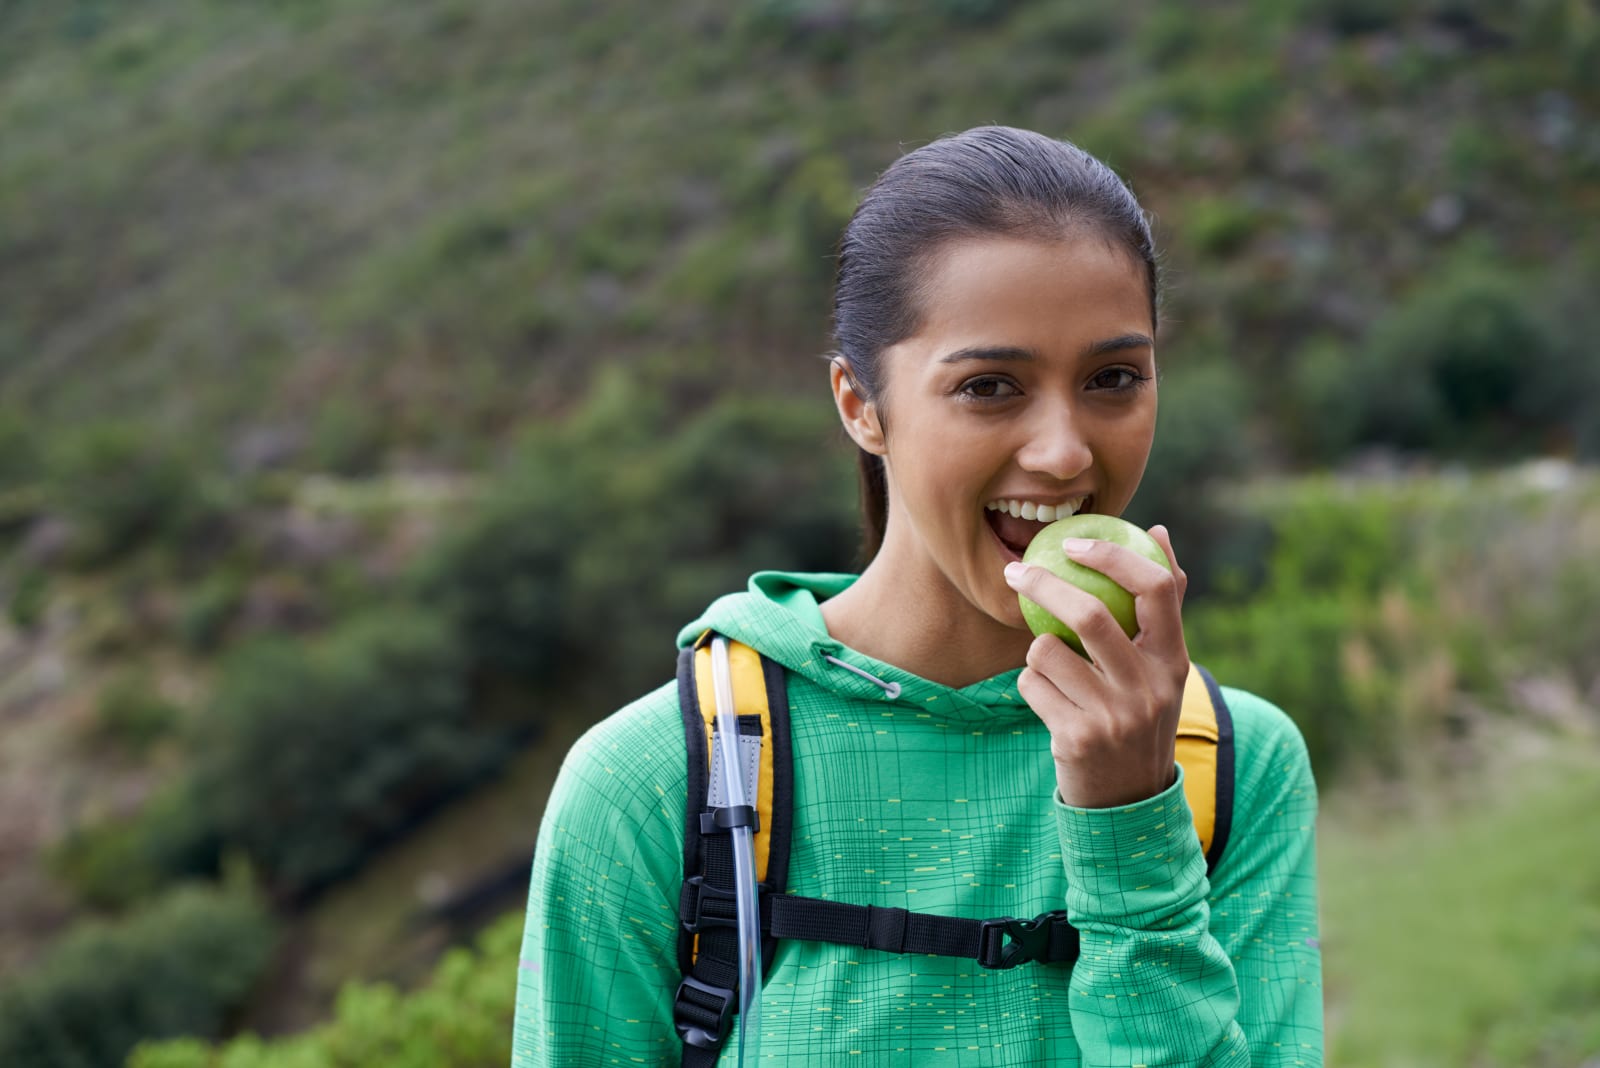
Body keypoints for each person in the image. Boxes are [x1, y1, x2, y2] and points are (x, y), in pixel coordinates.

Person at [512, 126, 1323, 1065]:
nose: (1063, 451)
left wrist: (1130, 824)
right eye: (989, 386)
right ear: (861, 404)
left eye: (1113, 379)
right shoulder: (652, 783)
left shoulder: (1233, 767)